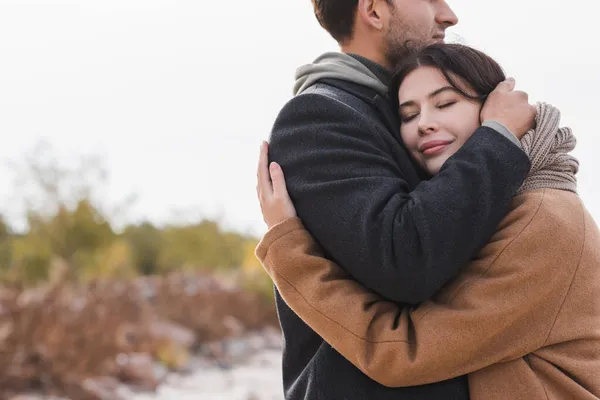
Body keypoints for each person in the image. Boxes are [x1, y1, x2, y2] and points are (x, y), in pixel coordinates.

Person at [256, 43, 600, 399]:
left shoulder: (543, 220)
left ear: (495, 112)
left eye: (445, 103)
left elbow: (401, 354)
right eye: (408, 114)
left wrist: (290, 248)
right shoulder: (508, 206)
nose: (424, 124)